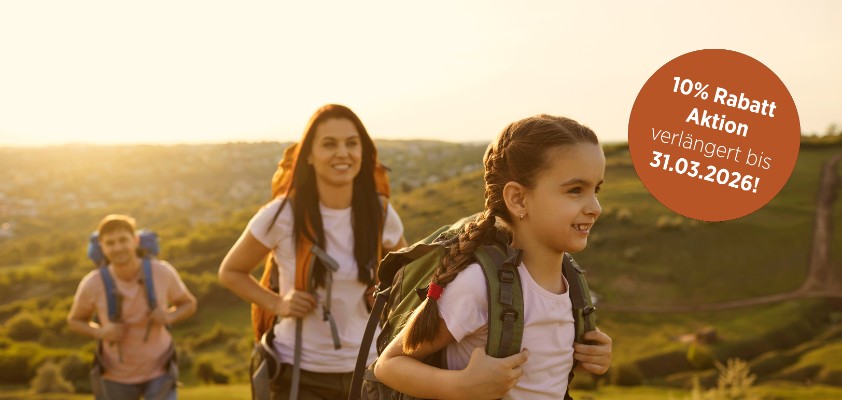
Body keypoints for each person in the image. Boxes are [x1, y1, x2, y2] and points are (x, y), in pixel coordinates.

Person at [374, 114, 613, 399]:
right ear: (518, 199)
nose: (595, 207)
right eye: (575, 190)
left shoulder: (571, 282)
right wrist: (461, 386)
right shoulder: (479, 285)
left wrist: (592, 357)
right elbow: (389, 365)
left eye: (595, 189)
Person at [218, 104, 407, 399]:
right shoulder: (284, 213)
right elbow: (230, 271)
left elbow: (406, 274)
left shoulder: (380, 212)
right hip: (299, 372)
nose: (342, 153)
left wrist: (388, 290)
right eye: (329, 144)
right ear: (308, 154)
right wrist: (278, 304)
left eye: (351, 143)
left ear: (364, 153)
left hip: (371, 368)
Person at [67, 214, 197, 400]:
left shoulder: (161, 271)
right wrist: (101, 332)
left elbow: (189, 304)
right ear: (102, 248)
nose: (118, 247)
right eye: (110, 243)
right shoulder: (92, 283)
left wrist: (170, 317)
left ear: (135, 241)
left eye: (123, 240)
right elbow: (74, 321)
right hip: (114, 375)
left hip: (160, 369)